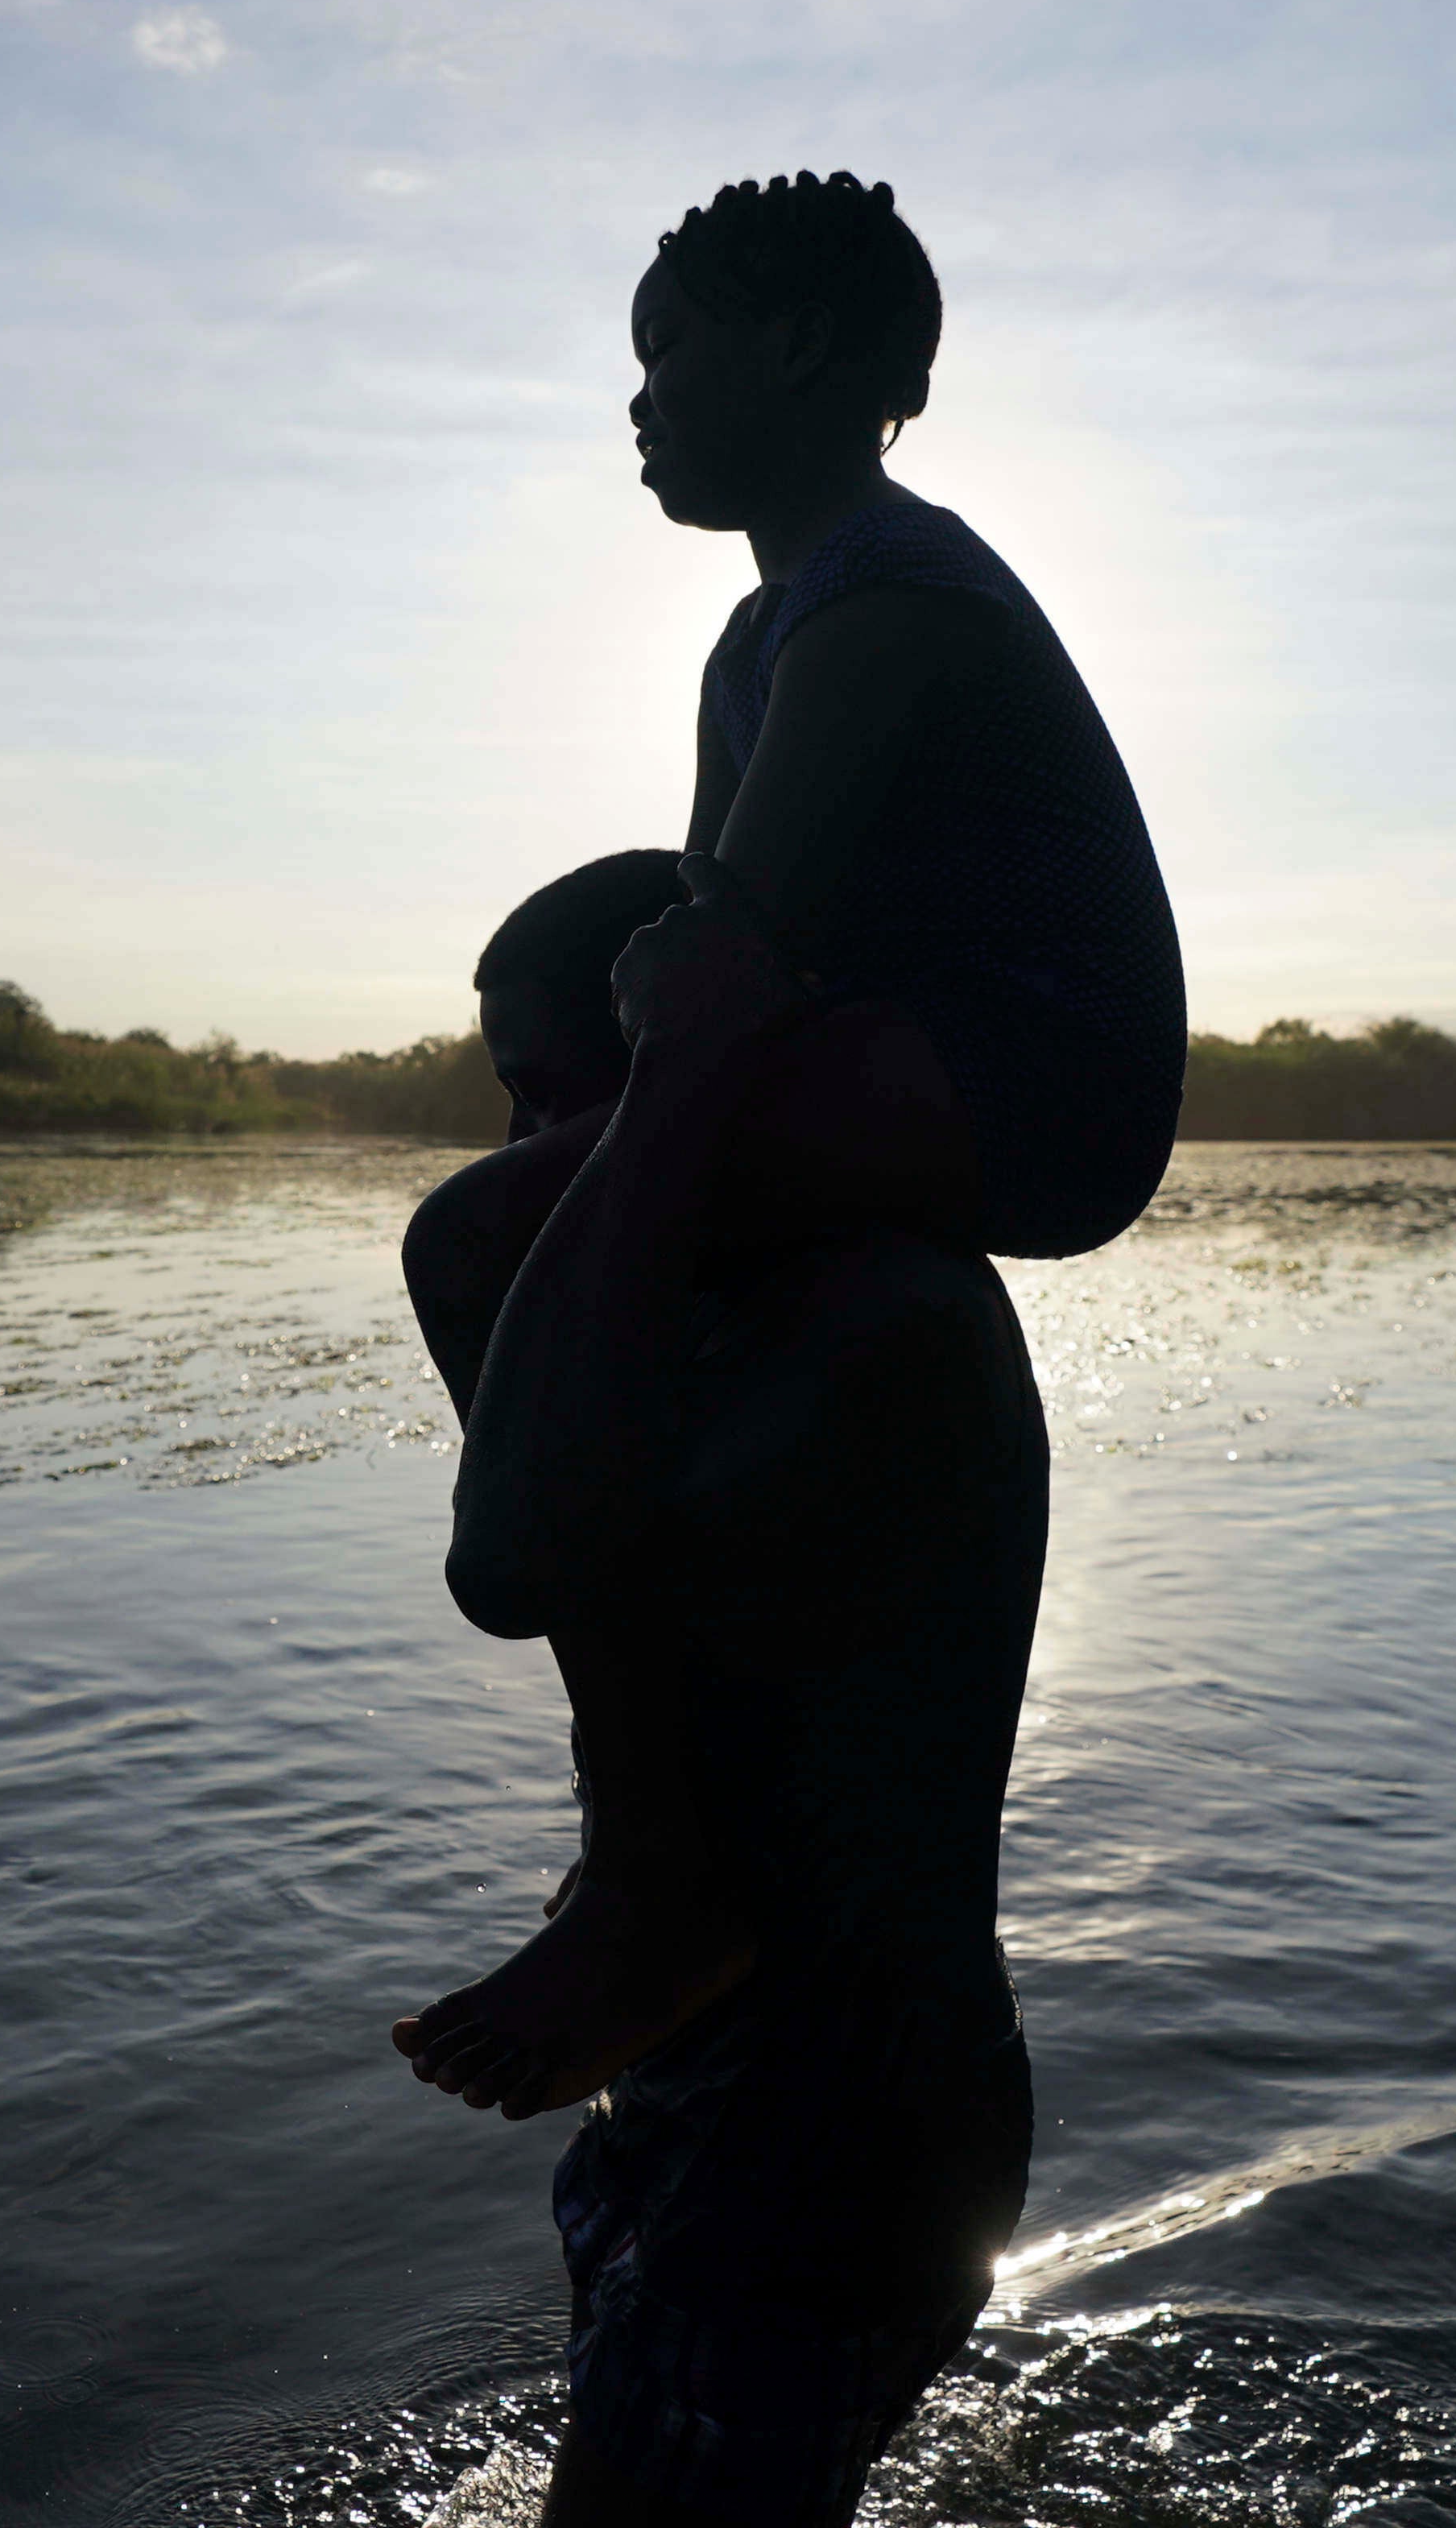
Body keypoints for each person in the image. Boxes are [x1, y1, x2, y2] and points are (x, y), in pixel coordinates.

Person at [395, 169, 1185, 2125]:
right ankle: (651, 1841)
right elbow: (696, 926)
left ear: (807, 351)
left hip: (1018, 1085)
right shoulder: (763, 635)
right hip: (878, 1058)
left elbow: (730, 964)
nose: (640, 401)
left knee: (479, 1248)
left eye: (672, 353)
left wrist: (569, 1195)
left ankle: (662, 1869)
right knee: (546, 1199)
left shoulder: (883, 603)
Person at [405, 858, 1051, 2528]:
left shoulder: (880, 1317)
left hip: (838, 2126)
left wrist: (662, 1104)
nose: (518, 1148)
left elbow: (511, 1556)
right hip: (721, 2092)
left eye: (555, 1093)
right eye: (511, 1105)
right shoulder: (722, 1320)